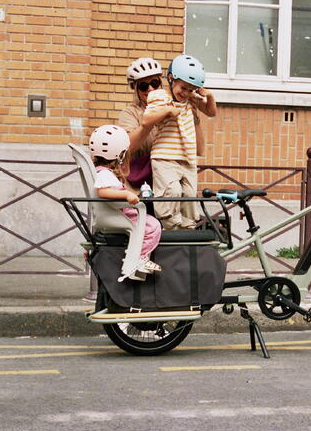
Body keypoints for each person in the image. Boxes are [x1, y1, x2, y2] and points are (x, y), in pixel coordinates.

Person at [142, 54, 217, 230]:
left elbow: (211, 112)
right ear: (171, 79)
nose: (185, 93)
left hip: (187, 158)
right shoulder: (160, 97)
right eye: (183, 87)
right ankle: (169, 227)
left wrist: (209, 96)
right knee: (172, 192)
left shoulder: (191, 100)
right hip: (165, 157)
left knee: (189, 195)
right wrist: (168, 111)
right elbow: (146, 120)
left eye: (191, 89)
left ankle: (187, 229)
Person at [89, 124, 162, 281]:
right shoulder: (105, 174)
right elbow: (102, 192)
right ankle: (139, 259)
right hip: (119, 214)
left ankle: (136, 260)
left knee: (149, 223)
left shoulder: (102, 172)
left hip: (119, 211)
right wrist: (127, 195)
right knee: (153, 225)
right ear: (120, 155)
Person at [118, 57, 165, 191]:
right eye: (144, 86)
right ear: (136, 90)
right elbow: (128, 147)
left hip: (167, 182)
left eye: (155, 83)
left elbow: (199, 149)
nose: (150, 89)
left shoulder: (171, 109)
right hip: (140, 187)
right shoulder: (130, 113)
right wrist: (149, 121)